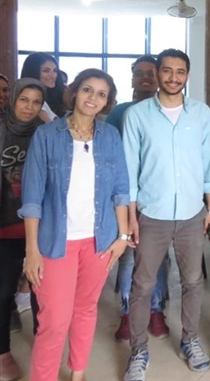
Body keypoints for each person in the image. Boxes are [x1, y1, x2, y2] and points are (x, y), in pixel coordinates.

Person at [20, 69, 130, 381]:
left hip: (100, 240)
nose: (93, 98)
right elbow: (32, 197)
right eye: (87, 90)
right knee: (54, 320)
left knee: (85, 309)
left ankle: (78, 373)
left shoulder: (110, 136)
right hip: (55, 242)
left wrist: (122, 236)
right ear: (75, 92)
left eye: (101, 94)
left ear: (107, 102)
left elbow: (121, 190)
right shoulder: (47, 135)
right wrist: (32, 250)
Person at [122, 49, 210, 381]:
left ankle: (190, 340)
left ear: (187, 75)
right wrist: (131, 216)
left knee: (193, 281)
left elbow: (208, 165)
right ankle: (138, 350)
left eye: (180, 71)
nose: (173, 77)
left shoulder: (201, 113)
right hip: (152, 214)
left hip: (192, 213)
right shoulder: (137, 115)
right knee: (142, 284)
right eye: (167, 71)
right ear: (157, 74)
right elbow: (129, 171)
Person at [105, 55, 170, 342]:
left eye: (150, 73)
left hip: (158, 197)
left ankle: (156, 310)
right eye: (139, 73)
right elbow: (111, 155)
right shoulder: (120, 113)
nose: (145, 77)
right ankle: (127, 312)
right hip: (125, 196)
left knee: (159, 258)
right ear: (131, 79)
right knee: (129, 257)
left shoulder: (167, 111)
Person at [0, 78, 45, 380]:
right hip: (4, 225)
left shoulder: (44, 133)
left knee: (42, 292)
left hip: (38, 226)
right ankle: (3, 351)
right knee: (3, 291)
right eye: (23, 100)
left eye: (36, 102)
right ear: (13, 99)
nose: (29, 107)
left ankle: (44, 344)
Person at [21, 52, 65, 122]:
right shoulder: (32, 99)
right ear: (33, 72)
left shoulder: (48, 97)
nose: (53, 75)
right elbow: (50, 126)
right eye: (46, 71)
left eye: (55, 70)